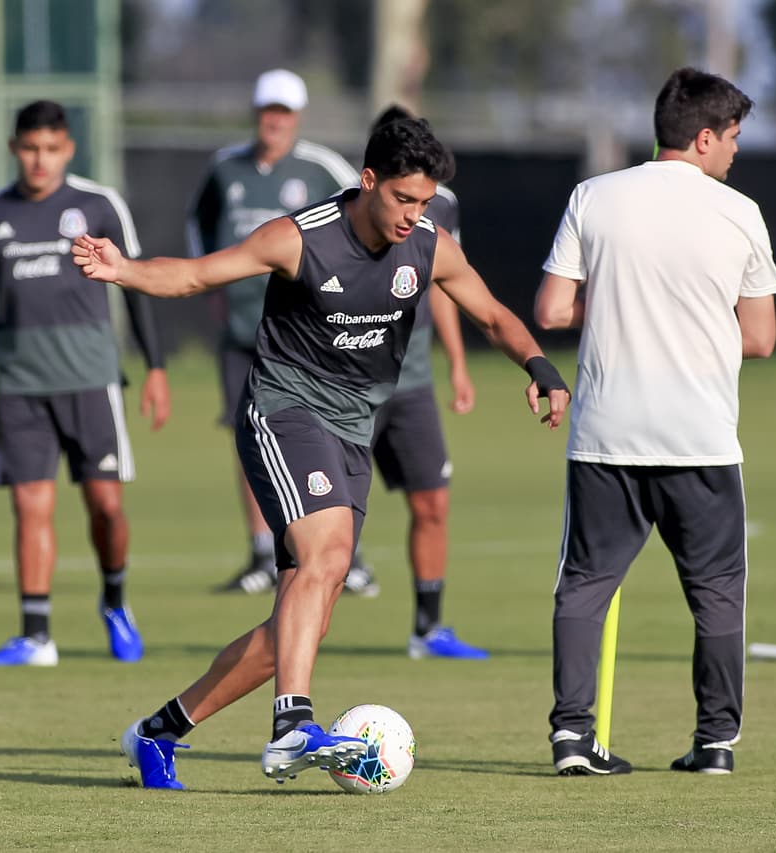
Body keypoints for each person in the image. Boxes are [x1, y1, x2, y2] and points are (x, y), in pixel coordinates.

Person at [74, 116, 571, 789]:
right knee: (329, 553)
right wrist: (123, 269)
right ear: (368, 181)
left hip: (352, 424)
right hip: (282, 408)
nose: (412, 216)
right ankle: (292, 724)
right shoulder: (298, 237)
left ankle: (159, 732)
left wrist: (539, 365)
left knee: (300, 620)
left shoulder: (427, 245)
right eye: (402, 199)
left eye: (424, 203)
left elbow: (492, 314)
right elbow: (194, 276)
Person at [533, 67, 776, 776]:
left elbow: (552, 311)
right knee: (716, 596)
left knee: (583, 586)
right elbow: (761, 337)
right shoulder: (739, 213)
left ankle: (572, 739)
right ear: (703, 137)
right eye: (732, 137)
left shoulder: (594, 195)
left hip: (606, 435)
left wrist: (614, 303)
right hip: (700, 437)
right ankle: (715, 743)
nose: (735, 151)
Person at [0, 99, 170, 667]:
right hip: (20, 384)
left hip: (91, 381)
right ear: (15, 148)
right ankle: (36, 634)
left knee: (106, 507)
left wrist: (156, 369)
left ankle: (115, 599)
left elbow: (136, 284)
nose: (40, 160)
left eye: (51, 149)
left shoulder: (97, 205)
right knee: (30, 506)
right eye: (30, 149)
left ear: (67, 149)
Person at [187, 68, 362, 594]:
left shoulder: (321, 169)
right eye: (268, 111)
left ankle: (341, 550)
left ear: (297, 117)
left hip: (307, 335)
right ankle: (264, 553)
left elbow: (362, 224)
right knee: (249, 434)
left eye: (284, 113)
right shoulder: (226, 168)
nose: (274, 121)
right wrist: (213, 285)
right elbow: (200, 226)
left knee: (323, 431)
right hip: (243, 329)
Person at [344, 104, 486, 660]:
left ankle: (428, 629)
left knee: (432, 504)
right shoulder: (353, 205)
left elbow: (447, 285)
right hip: (351, 384)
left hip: (415, 381)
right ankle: (307, 614)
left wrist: (457, 364)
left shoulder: (441, 205)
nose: (413, 210)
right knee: (332, 522)